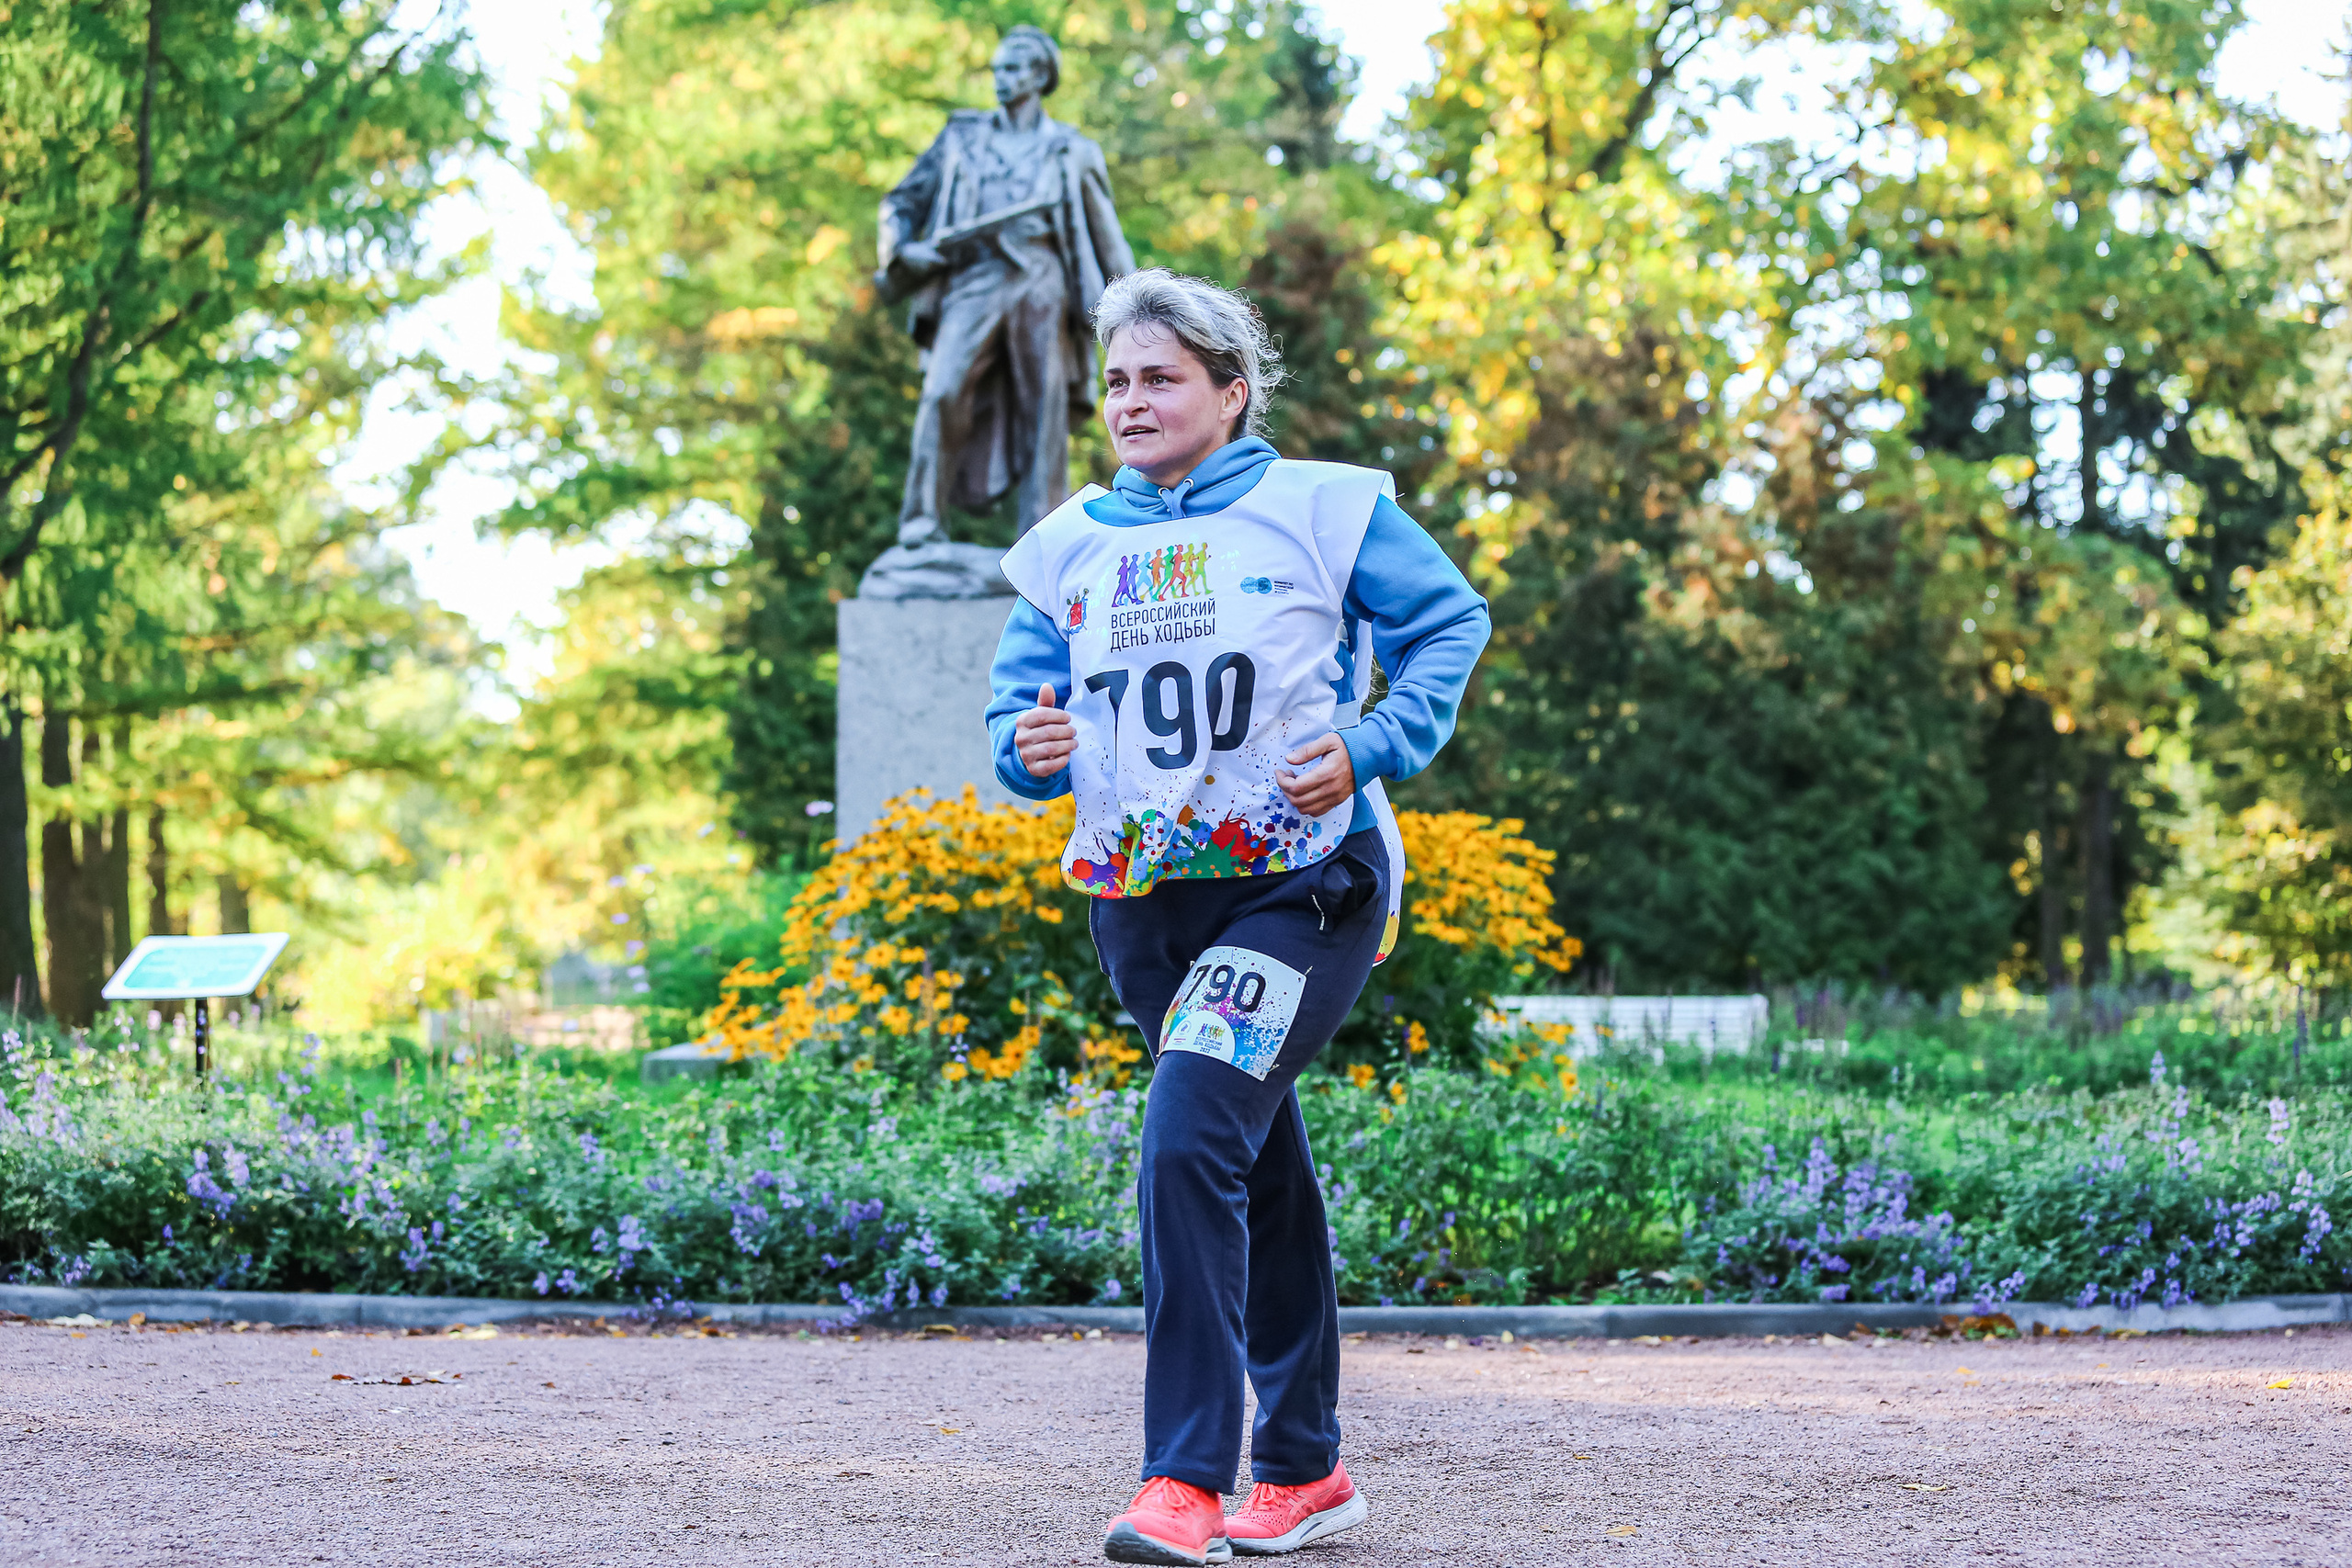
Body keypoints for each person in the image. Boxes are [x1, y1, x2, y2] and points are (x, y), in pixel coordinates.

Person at [985, 269, 1490, 1564]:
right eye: (1114, 382)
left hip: (1302, 884)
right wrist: (1030, 745)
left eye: (1159, 378)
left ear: (1230, 389)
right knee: (1252, 1157)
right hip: (1145, 905)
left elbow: (1448, 624)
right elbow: (1017, 720)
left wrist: (1375, 742)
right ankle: (1310, 1470)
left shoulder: (1323, 506)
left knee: (1186, 1135)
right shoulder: (1063, 547)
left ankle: (1185, 1478)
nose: (1129, 402)